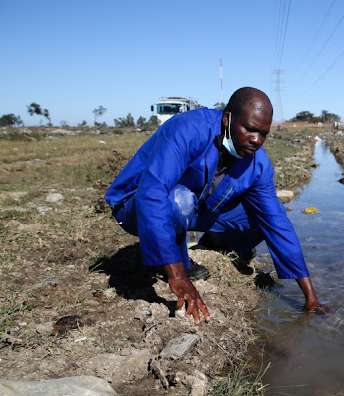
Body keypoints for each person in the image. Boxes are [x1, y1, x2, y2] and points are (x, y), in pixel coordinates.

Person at [105, 86, 329, 324]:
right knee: (179, 199)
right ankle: (178, 261)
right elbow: (153, 194)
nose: (256, 141)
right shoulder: (189, 130)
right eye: (250, 129)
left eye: (263, 134)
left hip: (195, 209)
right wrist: (178, 275)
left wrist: (311, 297)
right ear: (227, 119)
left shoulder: (257, 165)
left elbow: (277, 225)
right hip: (137, 205)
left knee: (260, 218)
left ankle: (215, 243)